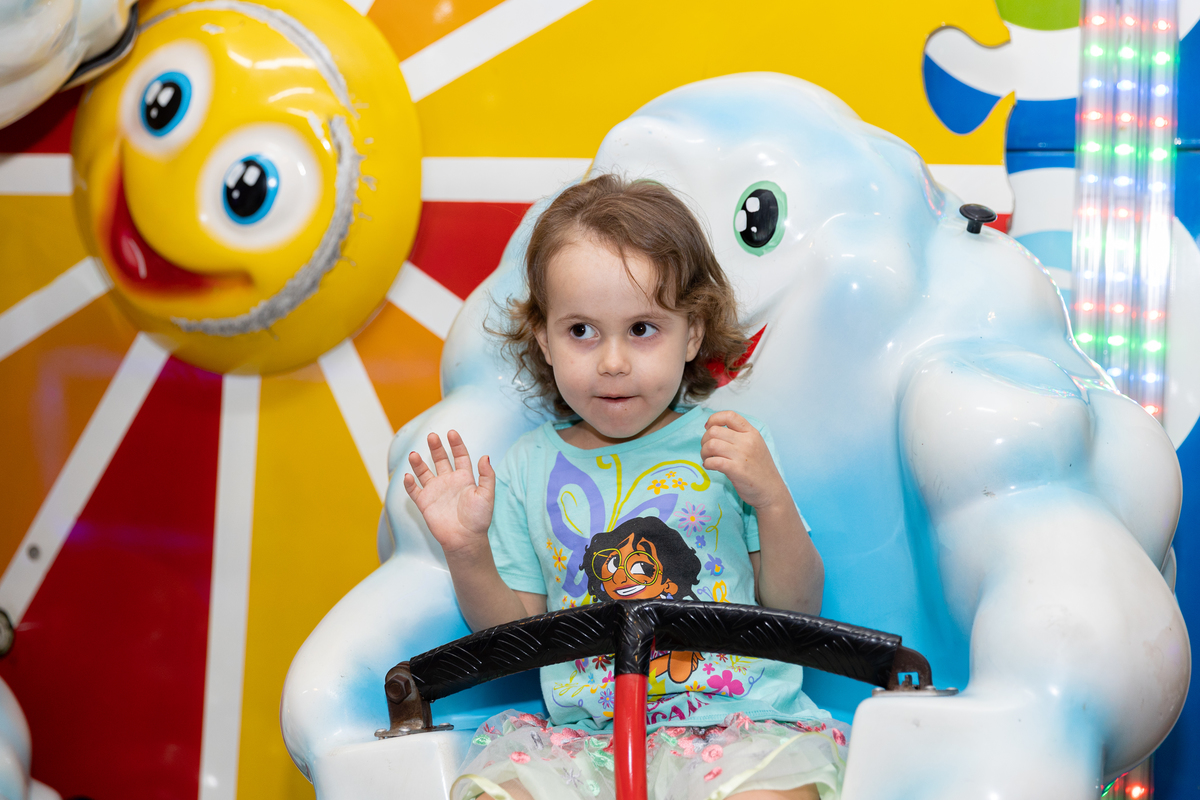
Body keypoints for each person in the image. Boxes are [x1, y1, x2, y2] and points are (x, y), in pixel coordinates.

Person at [403, 174, 848, 800]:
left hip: (737, 725)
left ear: (693, 333)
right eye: (581, 331)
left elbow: (796, 610)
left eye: (641, 329)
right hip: (586, 743)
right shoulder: (529, 466)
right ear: (544, 339)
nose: (612, 362)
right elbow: (516, 638)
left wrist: (771, 500)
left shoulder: (730, 444)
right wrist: (465, 550)